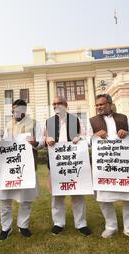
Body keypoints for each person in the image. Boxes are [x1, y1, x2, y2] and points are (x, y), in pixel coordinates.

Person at [88, 94, 129, 243]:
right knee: (104, 198)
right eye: (97, 105)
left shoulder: (123, 118)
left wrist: (127, 134)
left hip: (124, 166)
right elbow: (86, 140)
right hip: (104, 167)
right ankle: (111, 226)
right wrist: (95, 135)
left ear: (110, 104)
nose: (99, 107)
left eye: (102, 104)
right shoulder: (92, 121)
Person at [43, 96, 91, 237]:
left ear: (66, 105)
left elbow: (86, 137)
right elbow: (42, 140)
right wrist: (47, 139)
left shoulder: (75, 120)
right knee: (57, 195)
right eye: (54, 103)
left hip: (74, 163)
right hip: (56, 164)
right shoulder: (48, 122)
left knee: (78, 194)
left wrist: (80, 138)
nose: (56, 105)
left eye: (59, 103)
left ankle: (81, 223)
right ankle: (58, 223)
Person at [0, 99, 43, 240]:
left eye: (17, 110)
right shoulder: (8, 124)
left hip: (27, 167)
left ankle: (23, 226)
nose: (14, 112)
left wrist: (35, 142)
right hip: (10, 168)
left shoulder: (35, 123)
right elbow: (4, 143)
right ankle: (6, 228)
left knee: (26, 199)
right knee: (5, 199)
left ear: (24, 110)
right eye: (13, 110)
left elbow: (41, 143)